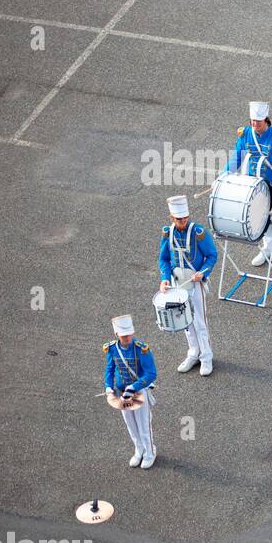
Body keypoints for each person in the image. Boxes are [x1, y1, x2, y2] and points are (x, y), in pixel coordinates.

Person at [158, 194, 217, 376]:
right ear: (172, 218)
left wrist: (203, 272)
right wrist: (165, 278)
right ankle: (193, 353)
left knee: (199, 321)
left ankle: (206, 357)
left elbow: (212, 255)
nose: (183, 221)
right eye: (179, 219)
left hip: (194, 282)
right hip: (177, 283)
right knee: (185, 322)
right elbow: (164, 259)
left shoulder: (199, 233)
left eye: (185, 218)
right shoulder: (168, 233)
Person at [232, 101, 272, 269]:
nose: (254, 125)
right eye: (252, 122)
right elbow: (237, 156)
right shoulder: (245, 134)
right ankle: (268, 249)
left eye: (258, 122)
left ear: (266, 120)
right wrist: (225, 173)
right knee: (261, 217)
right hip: (256, 184)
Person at [103, 314, 157, 469]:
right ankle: (138, 449)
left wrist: (135, 386)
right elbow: (109, 369)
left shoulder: (141, 349)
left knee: (143, 424)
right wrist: (108, 387)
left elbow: (151, 373)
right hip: (122, 394)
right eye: (123, 335)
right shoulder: (112, 349)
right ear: (117, 335)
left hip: (139, 392)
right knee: (131, 425)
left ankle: (149, 452)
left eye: (129, 334)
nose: (127, 337)